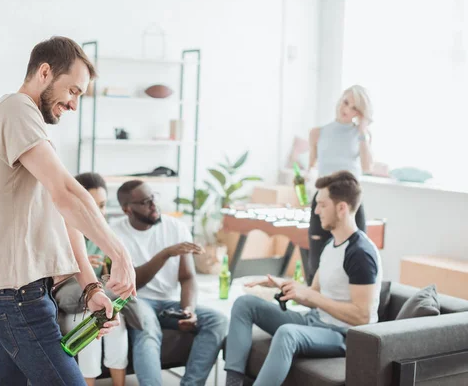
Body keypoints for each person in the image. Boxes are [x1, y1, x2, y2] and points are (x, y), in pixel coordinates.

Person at [0, 36, 136, 386]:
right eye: (72, 91)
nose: (74, 104)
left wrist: (91, 288)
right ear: (45, 72)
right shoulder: (17, 110)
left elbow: (62, 213)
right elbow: (67, 194)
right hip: (17, 301)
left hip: (17, 296)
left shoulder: (28, 126)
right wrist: (119, 253)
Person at [224, 171, 382, 386]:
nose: (316, 211)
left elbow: (362, 316)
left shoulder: (360, 253)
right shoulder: (332, 245)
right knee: (245, 304)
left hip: (344, 335)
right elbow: (314, 294)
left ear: (342, 208)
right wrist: (284, 285)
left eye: (322, 205)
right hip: (316, 321)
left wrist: (310, 297)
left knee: (287, 333)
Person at [111, 180, 228, 386]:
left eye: (154, 198)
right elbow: (131, 283)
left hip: (168, 304)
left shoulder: (175, 227)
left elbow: (187, 277)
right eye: (145, 202)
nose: (154, 205)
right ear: (127, 209)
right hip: (137, 300)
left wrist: (188, 309)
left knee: (217, 320)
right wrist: (165, 254)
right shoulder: (115, 233)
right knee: (147, 330)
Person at [61, 172, 128, 386]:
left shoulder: (104, 235)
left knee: (116, 323)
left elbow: (106, 276)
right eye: (93, 205)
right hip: (68, 299)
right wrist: (77, 264)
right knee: (89, 324)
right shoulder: (59, 230)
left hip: (95, 297)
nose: (99, 212)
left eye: (103, 205)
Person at [306, 85, 375, 283]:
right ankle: (315, 305)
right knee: (316, 260)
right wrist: (304, 178)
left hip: (351, 204)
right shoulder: (317, 133)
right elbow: (311, 166)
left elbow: (367, 165)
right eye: (346, 102)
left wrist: (362, 131)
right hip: (323, 200)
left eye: (355, 108)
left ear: (360, 114)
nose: (347, 110)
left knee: (356, 253)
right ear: (340, 99)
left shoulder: (362, 135)